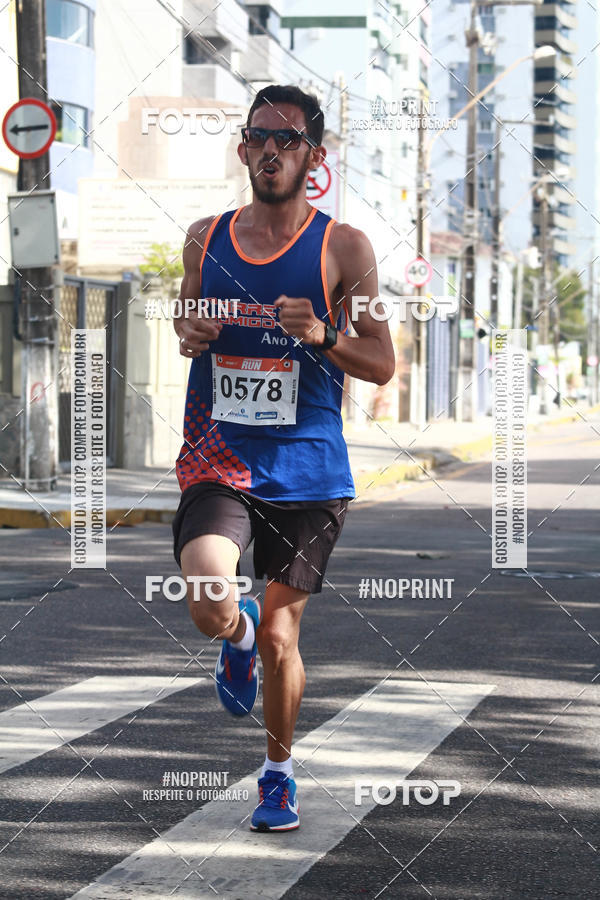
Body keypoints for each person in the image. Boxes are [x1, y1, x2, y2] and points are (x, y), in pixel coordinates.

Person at [172, 84, 394, 832]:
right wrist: (190, 331)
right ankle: (229, 638)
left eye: (288, 139)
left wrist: (323, 335)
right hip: (220, 458)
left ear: (313, 156)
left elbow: (382, 362)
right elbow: (185, 313)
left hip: (308, 470)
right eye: (259, 136)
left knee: (281, 635)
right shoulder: (206, 237)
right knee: (209, 595)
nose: (271, 150)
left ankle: (277, 773)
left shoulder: (344, 248)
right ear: (243, 148)